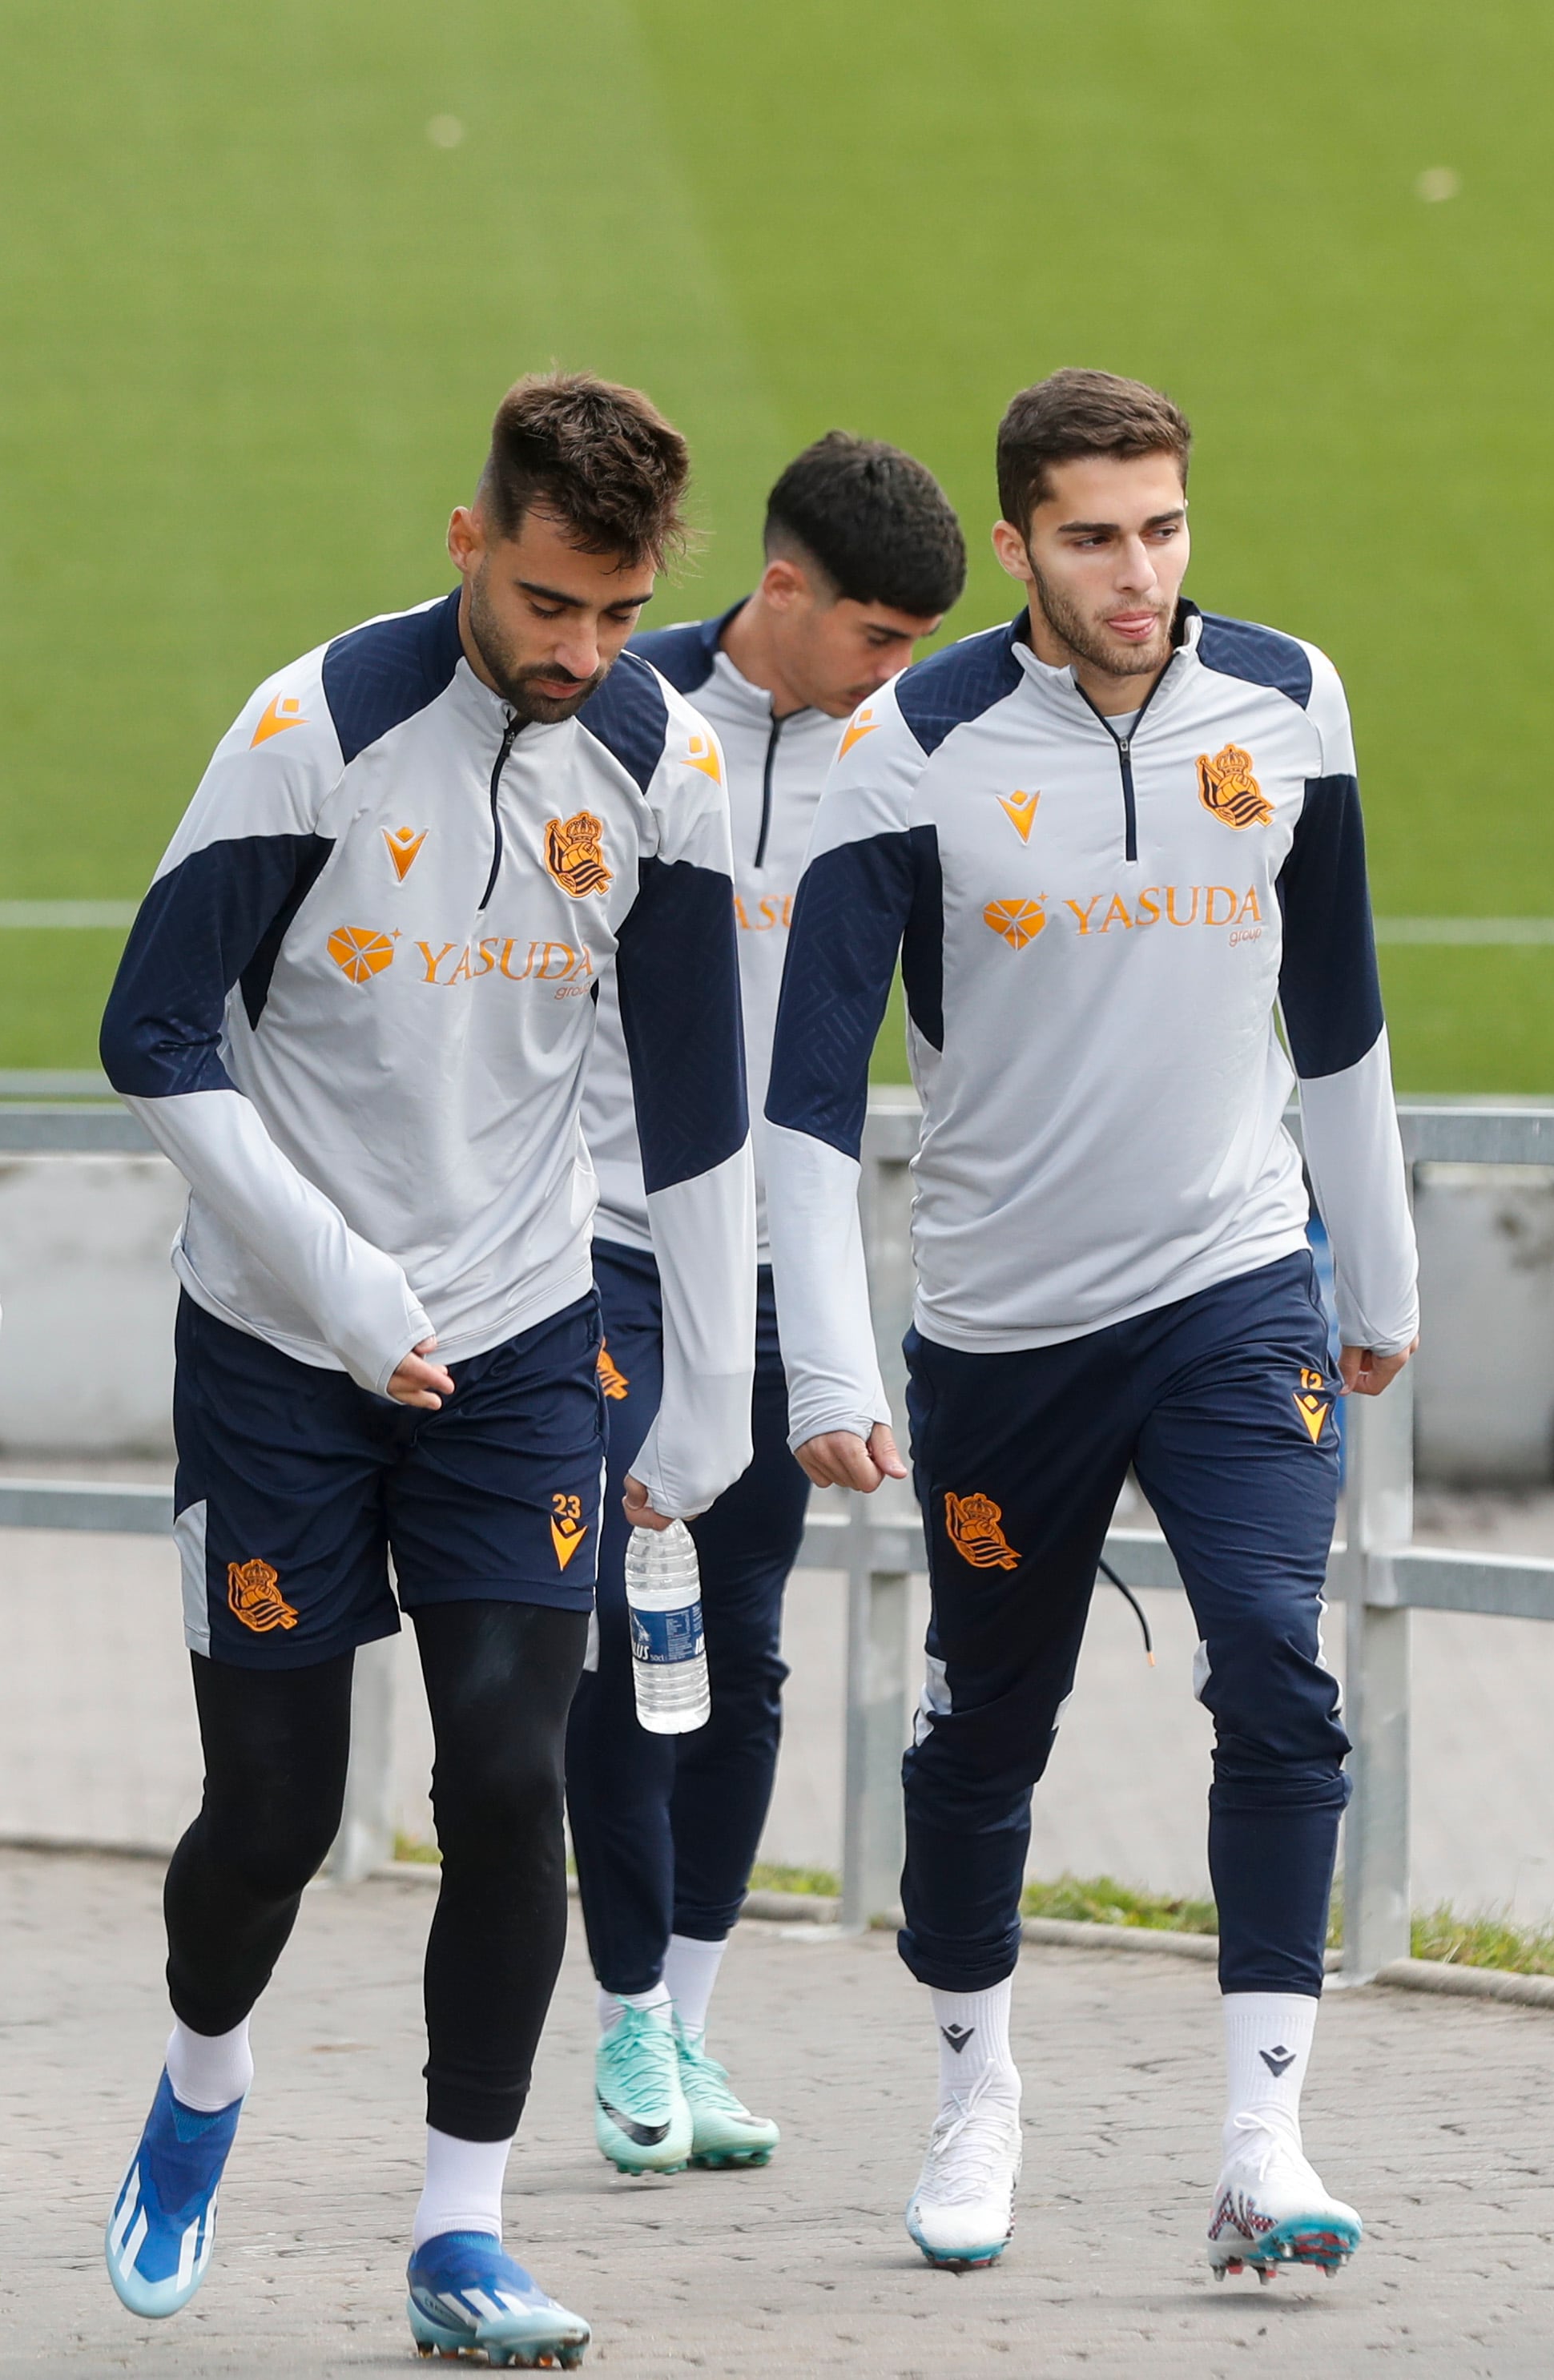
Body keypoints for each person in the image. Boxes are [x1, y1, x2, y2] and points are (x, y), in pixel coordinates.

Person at [94, 373, 752, 2367]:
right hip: (286, 1348)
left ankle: (460, 2230)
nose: (582, 654)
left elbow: (704, 1096)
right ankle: (201, 2090)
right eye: (552, 604)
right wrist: (338, 1272)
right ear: (471, 543)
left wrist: (712, 1383)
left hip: (531, 1343)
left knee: (509, 1762)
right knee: (273, 1811)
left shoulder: (664, 759)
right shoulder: (311, 735)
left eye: (621, 615)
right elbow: (151, 1032)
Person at [760, 369, 1417, 2278]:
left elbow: (1345, 1013)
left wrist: (1370, 1270)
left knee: (1281, 1678)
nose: (1143, 576)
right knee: (985, 1735)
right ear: (1023, 546)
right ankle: (977, 2089)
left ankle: (1263, 2139)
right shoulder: (914, 741)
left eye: (1168, 528)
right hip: (1005, 1331)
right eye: (1095, 539)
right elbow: (808, 1099)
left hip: (1236, 1288)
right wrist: (827, 1361)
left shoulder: (1290, 704)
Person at [566, 432, 964, 2179]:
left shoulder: (911, 751)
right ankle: (628, 2011)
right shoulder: (613, 708)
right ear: (781, 591)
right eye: (877, 636)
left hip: (791, 1253)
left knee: (747, 1645)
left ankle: (694, 2022)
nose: (900, 675)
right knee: (630, 1624)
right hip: (601, 1243)